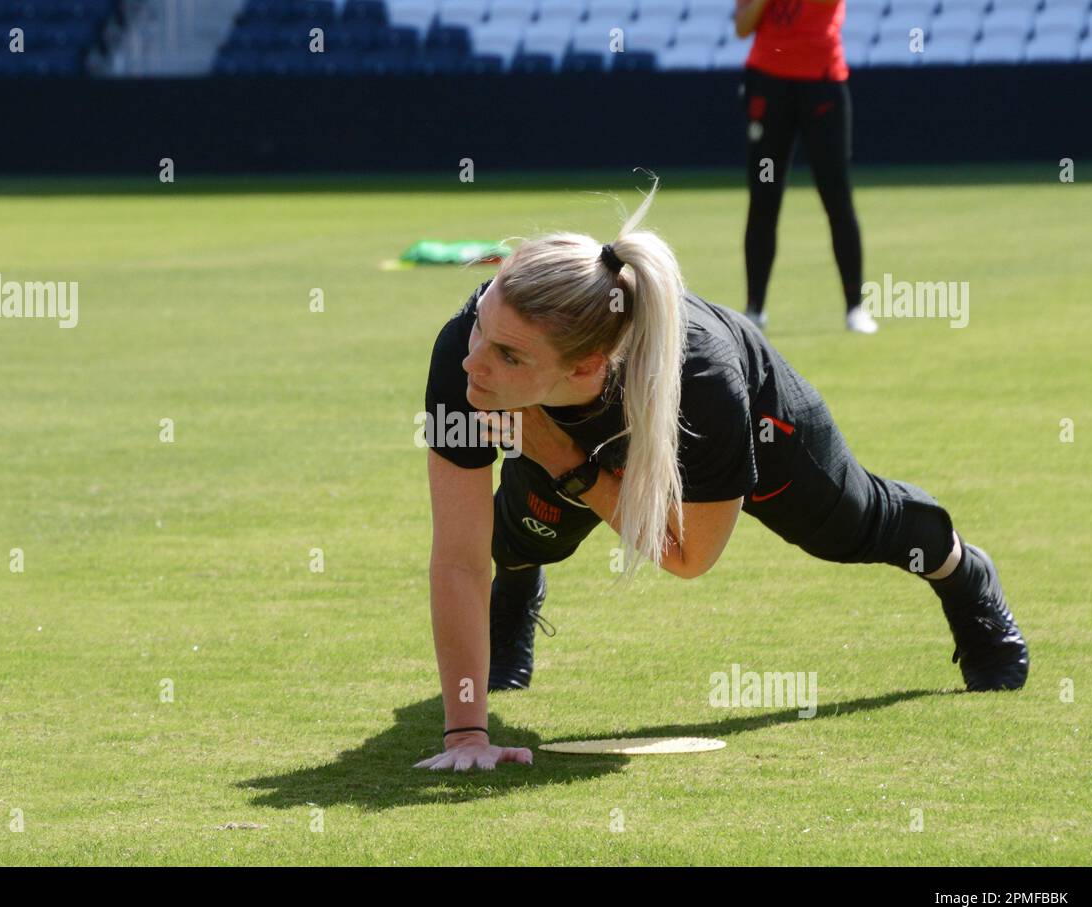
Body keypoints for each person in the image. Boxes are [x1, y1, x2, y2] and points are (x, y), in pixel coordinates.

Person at [416, 177, 1027, 773]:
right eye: (480, 328)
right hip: (564, 431)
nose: (474, 361)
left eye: (507, 355)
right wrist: (467, 733)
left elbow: (688, 555)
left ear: (585, 368)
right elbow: (459, 560)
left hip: (749, 420)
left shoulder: (703, 381)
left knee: (853, 525)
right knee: (522, 534)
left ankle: (964, 572)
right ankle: (518, 595)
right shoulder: (463, 361)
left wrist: (563, 459)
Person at [735, 0, 876, 333]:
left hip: (822, 85)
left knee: (836, 196)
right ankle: (755, 308)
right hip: (769, 86)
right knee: (764, 198)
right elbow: (742, 27)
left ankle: (855, 307)